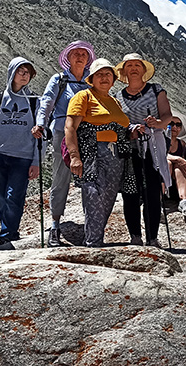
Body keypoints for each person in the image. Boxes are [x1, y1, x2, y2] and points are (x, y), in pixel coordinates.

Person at [32, 40, 95, 247]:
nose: (80, 57)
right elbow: (46, 103)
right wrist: (40, 124)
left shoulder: (92, 80)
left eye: (83, 54)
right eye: (75, 53)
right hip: (62, 133)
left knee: (89, 179)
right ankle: (55, 225)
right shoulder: (58, 80)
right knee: (61, 178)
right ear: (68, 57)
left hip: (87, 133)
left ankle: (91, 226)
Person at [65, 59, 131, 248]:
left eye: (108, 74)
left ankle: (94, 239)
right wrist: (74, 156)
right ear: (91, 79)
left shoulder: (115, 101)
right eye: (99, 75)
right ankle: (93, 243)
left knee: (108, 199)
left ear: (113, 79)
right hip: (92, 154)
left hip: (116, 155)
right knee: (93, 195)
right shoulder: (83, 97)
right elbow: (70, 127)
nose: (104, 78)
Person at [0, 57, 40, 249]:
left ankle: (6, 237)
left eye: (27, 72)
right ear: (11, 73)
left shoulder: (35, 102)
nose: (24, 75)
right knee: (1, 198)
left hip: (23, 157)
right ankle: (10, 233)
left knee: (14, 196)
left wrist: (36, 161)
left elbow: (41, 135)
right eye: (20, 71)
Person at [116, 53, 172, 248]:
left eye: (137, 65)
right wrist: (130, 130)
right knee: (130, 192)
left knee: (152, 191)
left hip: (152, 147)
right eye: (129, 65)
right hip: (130, 148)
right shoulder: (118, 97)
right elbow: (118, 123)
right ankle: (135, 236)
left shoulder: (156, 90)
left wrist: (157, 123)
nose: (133, 68)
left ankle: (152, 237)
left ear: (143, 69)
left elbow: (167, 116)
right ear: (124, 70)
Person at [166, 112, 186, 226]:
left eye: (178, 125)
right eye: (171, 123)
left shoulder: (182, 144)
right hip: (161, 179)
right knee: (168, 163)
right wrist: (176, 158)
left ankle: (184, 201)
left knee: (180, 166)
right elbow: (158, 155)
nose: (174, 127)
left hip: (175, 182)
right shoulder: (160, 139)